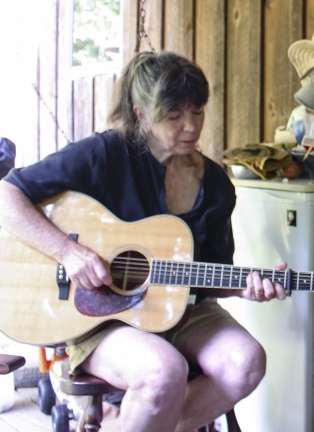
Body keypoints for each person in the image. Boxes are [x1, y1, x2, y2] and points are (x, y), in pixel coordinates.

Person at [0, 51, 287, 431]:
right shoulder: (105, 153)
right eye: (173, 116)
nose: (190, 126)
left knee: (246, 361)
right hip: (100, 316)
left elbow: (214, 274)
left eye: (197, 111)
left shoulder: (216, 184)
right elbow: (7, 195)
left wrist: (248, 289)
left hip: (183, 309)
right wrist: (68, 252)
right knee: (163, 372)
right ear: (141, 114)